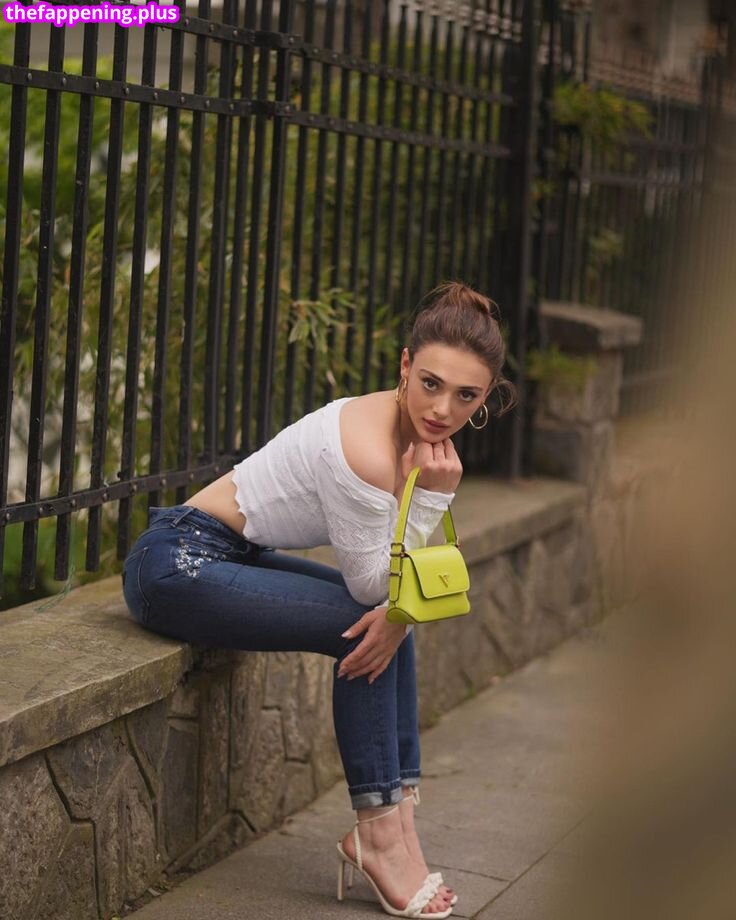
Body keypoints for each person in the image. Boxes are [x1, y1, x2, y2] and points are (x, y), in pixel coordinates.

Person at [121, 280, 516, 918]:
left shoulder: (412, 437)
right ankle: (379, 835)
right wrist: (434, 496)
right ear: (406, 366)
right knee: (364, 621)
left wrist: (398, 610)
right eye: (431, 384)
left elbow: (392, 587)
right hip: (175, 564)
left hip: (234, 554)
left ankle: (399, 823)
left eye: (466, 396)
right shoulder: (364, 449)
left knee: (389, 622)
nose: (443, 409)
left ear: (486, 396)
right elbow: (373, 588)